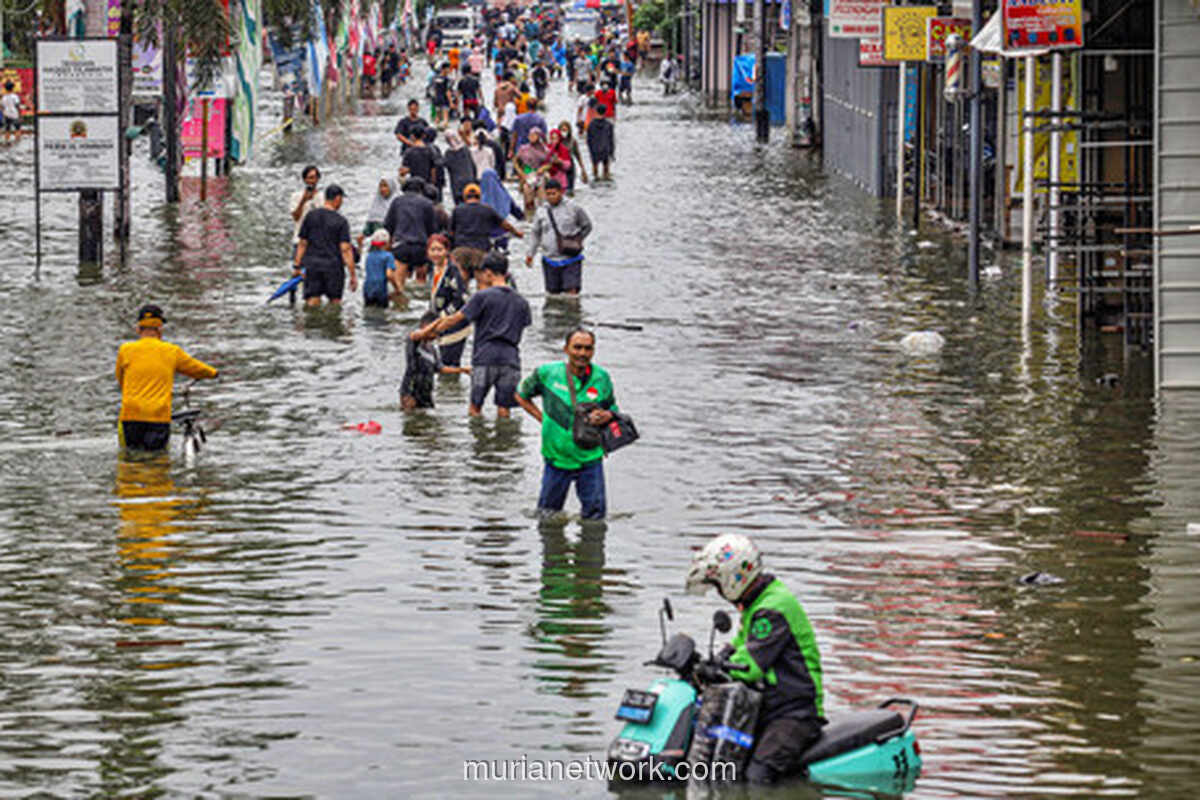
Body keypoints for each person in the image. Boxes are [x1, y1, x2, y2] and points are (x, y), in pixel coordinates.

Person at [684, 534, 826, 785]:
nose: (719, 592)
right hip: (769, 707)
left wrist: (718, 669)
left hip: (796, 712)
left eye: (718, 585)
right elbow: (741, 644)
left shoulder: (773, 608)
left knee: (757, 777)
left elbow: (750, 665)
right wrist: (714, 660)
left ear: (733, 578)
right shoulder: (758, 603)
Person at [515, 327, 616, 520]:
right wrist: (542, 418)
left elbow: (613, 407)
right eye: (577, 347)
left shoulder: (601, 377)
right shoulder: (547, 373)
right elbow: (521, 395)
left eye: (588, 348)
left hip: (590, 458)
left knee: (595, 520)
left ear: (593, 351)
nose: (582, 353)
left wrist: (607, 415)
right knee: (547, 516)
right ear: (566, 349)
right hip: (556, 458)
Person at [413, 252, 530, 417]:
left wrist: (427, 333)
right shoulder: (522, 302)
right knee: (504, 409)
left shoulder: (482, 297)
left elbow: (455, 319)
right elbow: (523, 326)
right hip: (511, 359)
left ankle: (476, 435)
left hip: (484, 357)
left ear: (488, 273)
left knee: (475, 407)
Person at [115, 305, 219, 452]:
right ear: (160, 329)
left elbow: (121, 380)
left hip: (130, 415)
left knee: (130, 456)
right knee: (157, 458)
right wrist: (213, 373)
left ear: (138, 329)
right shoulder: (172, 351)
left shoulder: (125, 350)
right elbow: (196, 368)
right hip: (158, 417)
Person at [525, 179, 592, 296]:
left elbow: (587, 226)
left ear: (561, 192)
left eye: (554, 194)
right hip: (549, 259)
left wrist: (577, 240)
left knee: (571, 294)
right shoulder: (541, 211)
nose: (551, 197)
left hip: (571, 259)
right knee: (552, 295)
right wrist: (530, 254)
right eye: (548, 194)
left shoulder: (574, 208)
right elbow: (536, 233)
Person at [294, 184, 358, 306]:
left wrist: (297, 266)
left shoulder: (310, 216)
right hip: (333, 267)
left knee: (312, 301)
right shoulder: (341, 221)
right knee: (335, 303)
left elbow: (302, 243)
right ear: (337, 198)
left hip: (312, 266)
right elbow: (345, 249)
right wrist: (352, 275)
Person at [450, 182, 524, 278]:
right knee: (481, 277)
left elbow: (451, 231)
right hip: (480, 250)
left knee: (462, 276)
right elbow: (505, 224)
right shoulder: (487, 209)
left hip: (461, 249)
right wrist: (517, 233)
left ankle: (463, 286)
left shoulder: (457, 210)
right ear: (480, 196)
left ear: (464, 196)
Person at [401, 311, 471, 410]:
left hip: (426, 392)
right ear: (426, 326)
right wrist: (439, 320)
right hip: (410, 391)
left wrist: (463, 370)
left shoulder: (432, 349)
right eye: (435, 332)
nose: (436, 336)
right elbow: (420, 334)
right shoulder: (413, 340)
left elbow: (441, 368)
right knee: (412, 417)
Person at [383, 178, 437, 292]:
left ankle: (401, 299)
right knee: (421, 283)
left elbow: (388, 225)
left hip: (401, 245)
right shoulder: (427, 203)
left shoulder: (397, 202)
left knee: (399, 282)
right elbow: (432, 229)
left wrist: (388, 246)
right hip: (420, 246)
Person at [427, 234, 472, 368]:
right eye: (433, 250)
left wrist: (444, 315)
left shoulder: (452, 271)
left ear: (447, 251)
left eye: (439, 250)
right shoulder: (432, 269)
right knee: (443, 362)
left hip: (455, 323)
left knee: (450, 362)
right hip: (440, 322)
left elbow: (461, 297)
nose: (436, 254)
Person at [362, 229, 398, 307]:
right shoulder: (388, 256)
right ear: (387, 243)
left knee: (369, 309)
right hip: (380, 289)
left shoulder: (369, 256)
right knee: (382, 310)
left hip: (367, 288)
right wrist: (397, 288)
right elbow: (389, 275)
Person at [359, 176, 396, 250]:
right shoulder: (376, 204)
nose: (382, 189)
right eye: (380, 186)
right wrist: (361, 239)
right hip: (377, 247)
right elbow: (368, 228)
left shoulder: (397, 204)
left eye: (385, 186)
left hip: (392, 246)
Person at [442, 128, 478, 204]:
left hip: (456, 183)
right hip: (469, 180)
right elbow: (473, 165)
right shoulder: (465, 149)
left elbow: (446, 166)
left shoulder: (448, 153)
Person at [556, 120, 588, 195]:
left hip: (570, 166)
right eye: (562, 130)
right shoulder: (556, 141)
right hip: (559, 167)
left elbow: (578, 155)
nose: (564, 132)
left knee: (570, 190)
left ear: (569, 130)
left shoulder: (573, 141)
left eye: (565, 130)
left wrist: (583, 169)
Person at [586, 105, 615, 180]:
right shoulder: (609, 125)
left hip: (595, 149)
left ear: (596, 112)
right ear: (605, 112)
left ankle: (595, 180)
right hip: (606, 149)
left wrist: (590, 151)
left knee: (595, 171)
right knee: (606, 171)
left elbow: (588, 140)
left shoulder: (591, 124)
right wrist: (612, 153)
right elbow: (611, 140)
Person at [431, 61, 455, 128]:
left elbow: (434, 90)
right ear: (444, 69)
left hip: (436, 99)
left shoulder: (435, 78)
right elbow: (448, 91)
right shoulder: (447, 79)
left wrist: (434, 99)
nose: (449, 70)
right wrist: (451, 102)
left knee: (437, 117)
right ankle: (445, 130)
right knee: (445, 118)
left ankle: (435, 128)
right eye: (448, 68)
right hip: (444, 99)